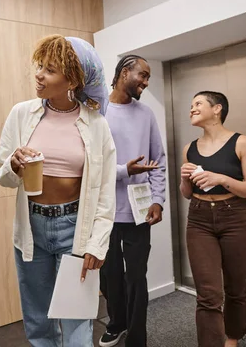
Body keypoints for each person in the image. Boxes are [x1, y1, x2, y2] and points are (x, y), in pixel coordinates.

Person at [0, 35, 116, 347]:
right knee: (38, 321)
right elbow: (3, 176)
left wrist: (98, 242)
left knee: (77, 323)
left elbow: (104, 190)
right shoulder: (21, 114)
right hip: (31, 226)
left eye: (49, 70)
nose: (39, 75)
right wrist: (14, 164)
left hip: (75, 227)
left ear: (72, 79)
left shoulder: (95, 123)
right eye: (40, 67)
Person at [179, 91, 246, 347]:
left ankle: (233, 338)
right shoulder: (189, 149)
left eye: (198, 104)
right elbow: (186, 194)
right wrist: (184, 178)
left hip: (236, 218)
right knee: (207, 294)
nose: (192, 109)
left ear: (217, 109)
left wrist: (221, 179)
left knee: (236, 289)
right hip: (199, 220)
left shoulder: (242, 143)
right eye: (191, 105)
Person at [98, 55, 166, 347]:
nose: (146, 82)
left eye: (148, 77)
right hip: (104, 211)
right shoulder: (97, 112)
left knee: (137, 277)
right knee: (109, 275)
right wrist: (126, 170)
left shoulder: (146, 114)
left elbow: (158, 160)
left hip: (140, 212)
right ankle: (117, 322)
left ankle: (137, 336)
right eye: (143, 75)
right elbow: (91, 166)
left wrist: (158, 200)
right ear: (125, 72)